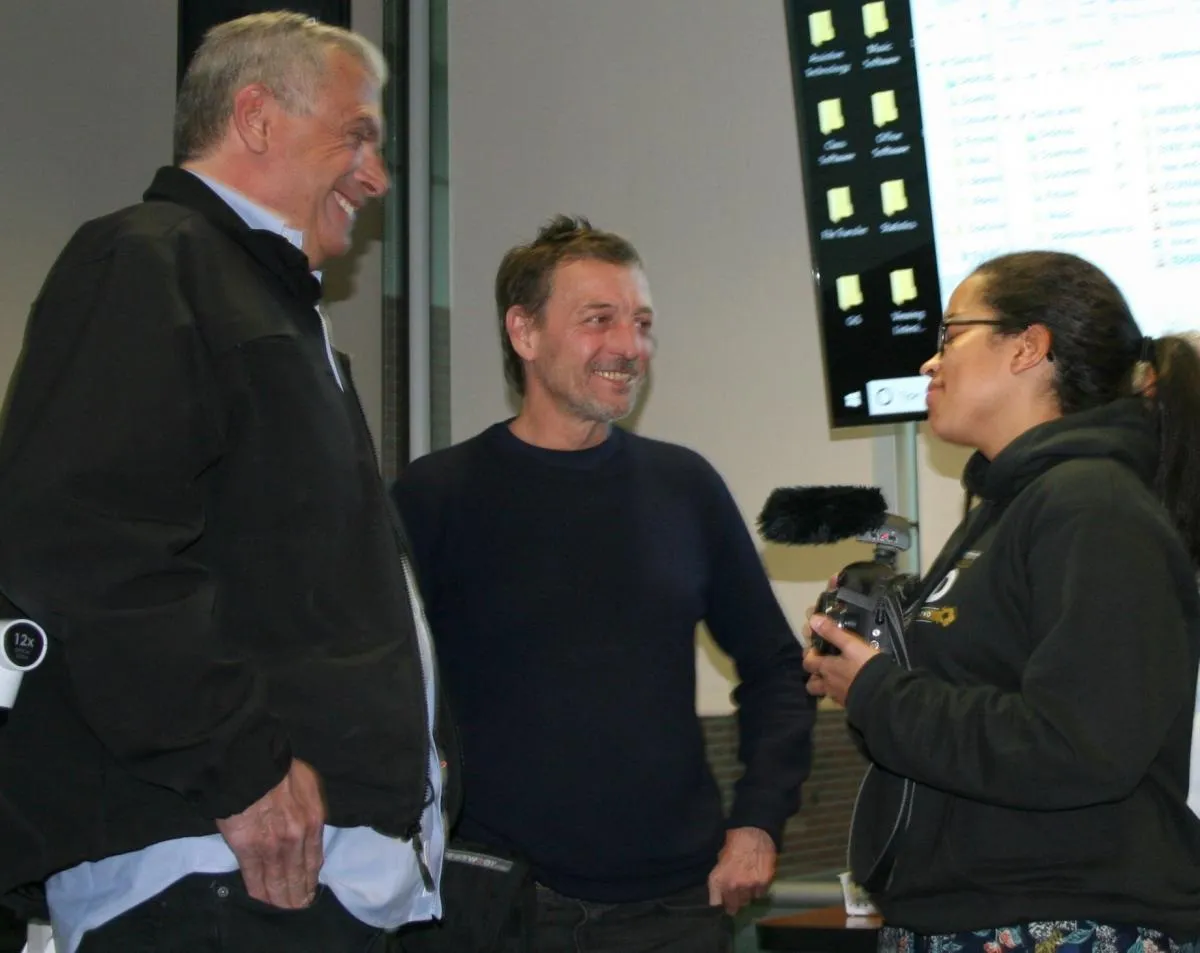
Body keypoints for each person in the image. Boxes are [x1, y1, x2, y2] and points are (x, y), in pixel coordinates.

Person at [0, 13, 457, 953]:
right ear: (255, 118)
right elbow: (82, 538)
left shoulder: (273, 305)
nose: (375, 176)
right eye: (357, 135)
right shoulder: (145, 258)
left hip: (294, 881)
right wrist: (240, 765)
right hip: (214, 873)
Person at [391, 216, 814, 953]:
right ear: (524, 332)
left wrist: (757, 820)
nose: (629, 346)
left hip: (672, 909)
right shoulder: (436, 496)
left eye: (642, 323)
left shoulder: (683, 487)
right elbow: (374, 681)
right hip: (492, 901)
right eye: (599, 320)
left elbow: (775, 668)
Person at [805, 251, 1200, 951]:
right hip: (969, 917)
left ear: (1028, 346)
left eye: (949, 333)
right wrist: (866, 675)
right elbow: (951, 730)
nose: (930, 362)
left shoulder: (1093, 505)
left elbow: (1080, 745)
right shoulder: (1004, 506)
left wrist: (880, 691)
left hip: (1061, 922)